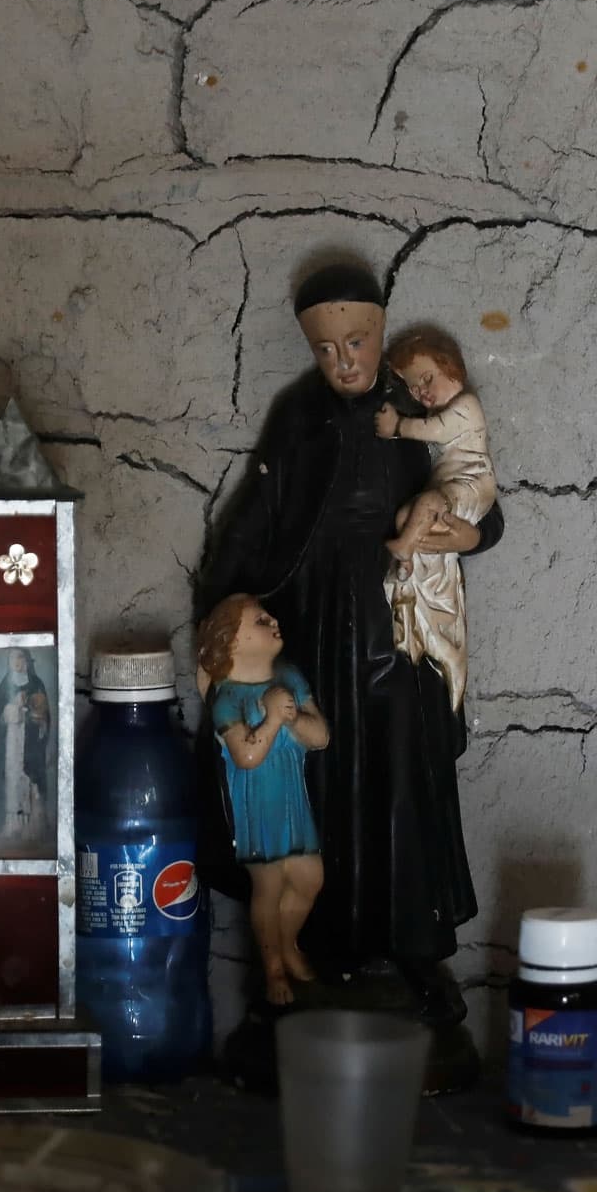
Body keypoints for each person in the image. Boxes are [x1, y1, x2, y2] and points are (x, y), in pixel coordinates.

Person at [196, 263, 505, 1050]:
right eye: (326, 347)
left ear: (381, 331)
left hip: (399, 620)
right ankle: (318, 952)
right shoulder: (300, 416)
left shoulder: (414, 407)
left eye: (358, 341)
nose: (344, 362)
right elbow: (258, 519)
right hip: (317, 623)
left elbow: (476, 494)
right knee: (318, 777)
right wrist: (216, 622)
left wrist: (472, 537)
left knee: (409, 782)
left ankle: (416, 953)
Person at [199, 593, 328, 1005]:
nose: (272, 620)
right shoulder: (229, 698)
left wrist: (293, 717)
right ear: (233, 642)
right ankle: (272, 967)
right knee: (268, 885)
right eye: (259, 620)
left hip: (292, 798)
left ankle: (288, 944)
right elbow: (247, 756)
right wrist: (273, 719)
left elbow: (321, 736)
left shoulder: (289, 676)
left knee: (310, 878)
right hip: (256, 806)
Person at [375, 324, 497, 712]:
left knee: (425, 507)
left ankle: (404, 550)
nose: (421, 392)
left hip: (460, 499)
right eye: (413, 387)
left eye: (426, 379)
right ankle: (405, 551)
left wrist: (472, 539)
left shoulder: (458, 410)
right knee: (408, 515)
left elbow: (490, 524)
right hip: (385, 600)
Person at [0, 648, 54, 848]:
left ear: (27, 662)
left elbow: (45, 715)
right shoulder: (4, 687)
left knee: (31, 781)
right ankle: (12, 825)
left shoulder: (37, 684)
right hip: (11, 744)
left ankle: (33, 827)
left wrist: (38, 716)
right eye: (14, 659)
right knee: (13, 781)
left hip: (31, 744)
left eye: (21, 659)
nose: (18, 663)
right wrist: (12, 708)